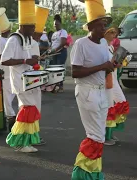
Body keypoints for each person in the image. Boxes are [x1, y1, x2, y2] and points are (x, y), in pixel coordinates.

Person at [70, 0, 114, 178]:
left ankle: (92, 172)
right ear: (91, 26)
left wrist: (111, 66)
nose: (105, 28)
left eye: (105, 24)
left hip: (102, 91)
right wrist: (102, 67)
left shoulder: (103, 44)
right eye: (101, 25)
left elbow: (103, 68)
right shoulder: (81, 44)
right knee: (95, 136)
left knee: (99, 136)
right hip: (87, 92)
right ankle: (83, 175)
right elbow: (75, 72)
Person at [3, 0, 46, 153]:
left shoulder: (29, 39)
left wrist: (34, 59)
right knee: (28, 110)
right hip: (21, 82)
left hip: (31, 80)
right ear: (23, 26)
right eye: (32, 26)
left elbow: (30, 58)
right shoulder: (13, 39)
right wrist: (25, 60)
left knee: (32, 110)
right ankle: (19, 142)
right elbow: (4, 60)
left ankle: (27, 140)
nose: (34, 29)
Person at [0, 7, 16, 131]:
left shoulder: (7, 39)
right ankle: (10, 117)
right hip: (5, 71)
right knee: (8, 96)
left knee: (11, 94)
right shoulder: (1, 40)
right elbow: (0, 57)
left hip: (10, 70)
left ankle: (11, 116)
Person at [49, 14, 68, 92]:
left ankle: (61, 86)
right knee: (54, 69)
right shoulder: (54, 34)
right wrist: (50, 50)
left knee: (59, 69)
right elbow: (52, 44)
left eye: (56, 24)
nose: (55, 26)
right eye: (54, 25)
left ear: (60, 23)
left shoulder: (63, 32)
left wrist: (55, 50)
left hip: (61, 53)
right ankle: (55, 85)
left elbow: (63, 43)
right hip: (54, 53)